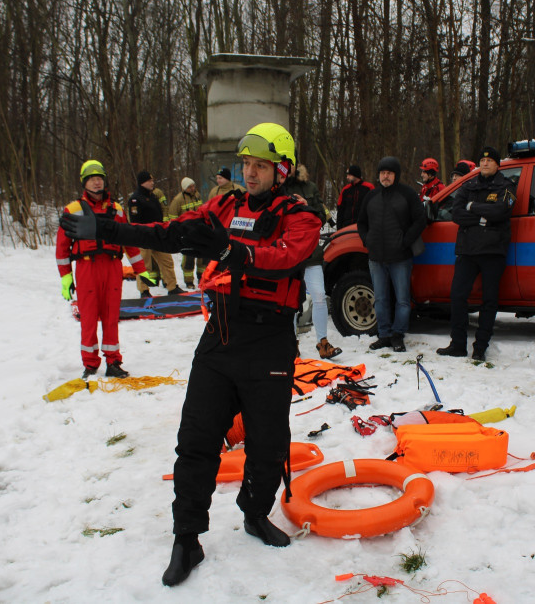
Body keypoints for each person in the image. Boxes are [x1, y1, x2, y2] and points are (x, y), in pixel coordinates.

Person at [60, 123, 321, 587]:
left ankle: (255, 513)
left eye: (260, 165)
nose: (251, 172)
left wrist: (229, 248)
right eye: (246, 164)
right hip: (220, 336)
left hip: (269, 344)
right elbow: (168, 232)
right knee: (195, 440)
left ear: (280, 170)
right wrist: (107, 227)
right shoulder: (225, 204)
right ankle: (187, 538)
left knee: (267, 445)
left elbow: (284, 255)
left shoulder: (301, 214)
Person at [56, 160, 148, 379]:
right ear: (84, 182)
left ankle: (113, 362)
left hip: (112, 267)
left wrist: (140, 268)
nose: (97, 182)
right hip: (87, 267)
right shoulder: (73, 210)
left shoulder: (115, 210)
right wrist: (66, 278)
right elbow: (62, 248)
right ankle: (90, 364)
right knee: (88, 318)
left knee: (111, 316)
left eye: (99, 178)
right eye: (91, 179)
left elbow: (129, 242)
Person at [435, 148, 515, 361]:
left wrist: (473, 207)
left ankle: (480, 346)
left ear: (498, 164)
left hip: (493, 251)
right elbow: (457, 213)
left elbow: (502, 211)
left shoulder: (506, 186)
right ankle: (458, 344)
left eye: (490, 160)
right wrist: (482, 217)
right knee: (458, 296)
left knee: (489, 301)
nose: (486, 163)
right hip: (467, 251)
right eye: (483, 160)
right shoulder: (468, 185)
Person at [357, 156, 426, 353]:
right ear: (378, 175)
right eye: (382, 173)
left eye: (389, 173)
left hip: (401, 258)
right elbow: (361, 222)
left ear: (396, 175)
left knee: (403, 300)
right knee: (380, 299)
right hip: (376, 257)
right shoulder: (371, 196)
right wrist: (367, 240)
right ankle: (384, 334)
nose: (385, 176)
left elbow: (420, 220)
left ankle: (398, 335)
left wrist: (405, 241)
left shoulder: (407, 194)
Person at [286, 164, 342, 359]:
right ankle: (290, 344)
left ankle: (323, 342)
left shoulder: (309, 187)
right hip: (288, 251)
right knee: (290, 299)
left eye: (291, 164)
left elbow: (321, 216)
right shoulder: (277, 188)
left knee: (319, 295)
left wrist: (305, 206)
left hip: (311, 251)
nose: (288, 168)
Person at [128, 170, 181, 296]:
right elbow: (135, 221)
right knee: (144, 266)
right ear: (142, 183)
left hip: (158, 235)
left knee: (167, 261)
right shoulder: (135, 200)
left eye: (152, 180)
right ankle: (144, 290)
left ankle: (172, 287)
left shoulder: (153, 197)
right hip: (144, 237)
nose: (152, 183)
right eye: (149, 180)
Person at [169, 177, 207, 288]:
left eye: (193, 186)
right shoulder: (178, 200)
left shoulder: (197, 196)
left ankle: (202, 277)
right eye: (190, 187)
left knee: (203, 257)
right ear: (184, 188)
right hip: (187, 233)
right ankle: (189, 281)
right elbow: (172, 217)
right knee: (189, 258)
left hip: (200, 231)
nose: (193, 188)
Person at [335, 165, 373, 229]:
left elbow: (374, 209)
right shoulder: (345, 190)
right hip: (347, 227)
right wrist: (339, 228)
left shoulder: (368, 188)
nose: (347, 177)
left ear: (355, 175)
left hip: (364, 227)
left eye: (349, 175)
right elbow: (340, 211)